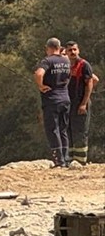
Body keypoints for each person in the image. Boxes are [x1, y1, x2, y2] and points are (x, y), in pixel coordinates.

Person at [33, 37, 71, 167]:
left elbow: (39, 74)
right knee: (63, 129)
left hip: (52, 99)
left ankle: (58, 160)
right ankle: (66, 158)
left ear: (48, 48)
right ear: (59, 47)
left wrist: (41, 86)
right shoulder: (66, 61)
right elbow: (68, 76)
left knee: (53, 129)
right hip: (65, 98)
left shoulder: (47, 60)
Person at [65, 41, 97, 165]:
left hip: (81, 101)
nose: (72, 52)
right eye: (70, 50)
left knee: (80, 130)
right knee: (68, 130)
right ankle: (70, 159)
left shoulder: (84, 65)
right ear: (66, 52)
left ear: (78, 50)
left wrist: (84, 103)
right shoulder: (66, 65)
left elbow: (91, 82)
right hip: (69, 102)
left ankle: (80, 160)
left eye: (74, 49)